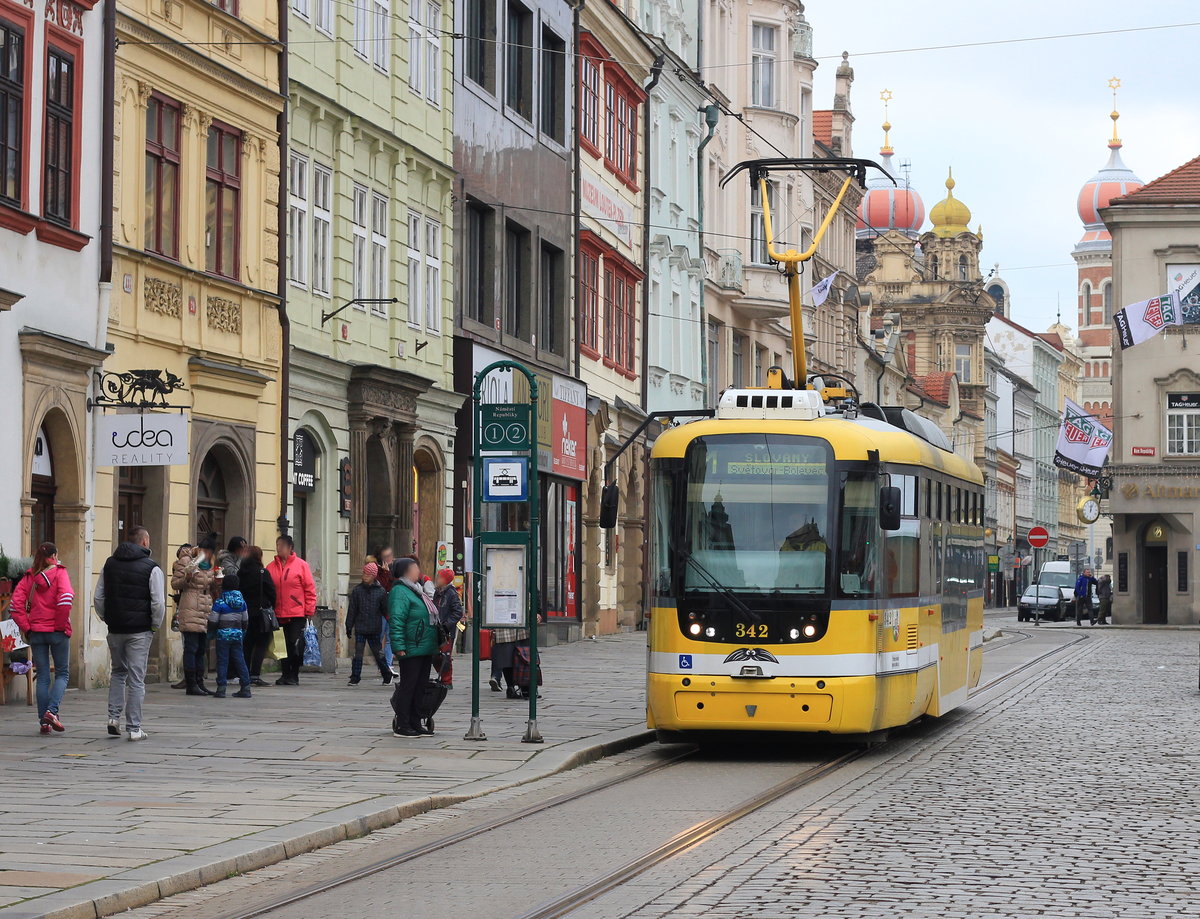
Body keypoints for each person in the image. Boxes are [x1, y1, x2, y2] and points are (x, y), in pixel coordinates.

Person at [93, 527, 165, 741]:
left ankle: (113, 718)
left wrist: (107, 617)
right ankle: (134, 728)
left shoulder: (109, 564)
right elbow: (158, 603)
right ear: (144, 542)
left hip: (115, 629)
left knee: (118, 672)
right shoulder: (152, 568)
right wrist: (154, 625)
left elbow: (98, 597)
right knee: (136, 678)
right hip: (139, 630)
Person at [9, 542, 74, 734]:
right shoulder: (60, 573)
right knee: (62, 673)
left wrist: (27, 628)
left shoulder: (29, 577)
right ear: (54, 556)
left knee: (43, 677)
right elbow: (66, 598)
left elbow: (15, 607)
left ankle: (43, 722)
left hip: (36, 632)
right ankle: (52, 712)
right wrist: (61, 626)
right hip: (57, 631)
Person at [388, 558, 438, 737]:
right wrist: (399, 646)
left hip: (424, 647)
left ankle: (416, 722)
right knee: (408, 686)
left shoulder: (417, 590)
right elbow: (397, 620)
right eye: (416, 569)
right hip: (411, 647)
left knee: (420, 686)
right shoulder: (400, 591)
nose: (419, 572)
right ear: (406, 571)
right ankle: (403, 724)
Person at [172, 536, 219, 696]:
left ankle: (200, 682)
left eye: (209, 552)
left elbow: (210, 584)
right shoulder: (186, 560)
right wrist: (187, 577)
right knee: (191, 647)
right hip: (190, 605)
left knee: (201, 648)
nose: (206, 554)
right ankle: (191, 684)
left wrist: (218, 581)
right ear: (198, 548)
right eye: (204, 551)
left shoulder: (210, 563)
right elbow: (175, 583)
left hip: (205, 607)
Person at [267, 535, 317, 685]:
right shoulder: (271, 567)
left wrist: (309, 610)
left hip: (297, 613)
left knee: (294, 644)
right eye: (277, 545)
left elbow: (310, 589)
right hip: (278, 612)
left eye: (282, 545)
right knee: (281, 646)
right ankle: (285, 674)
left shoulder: (301, 565)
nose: (279, 548)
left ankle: (294, 675)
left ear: (290, 548)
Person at [345, 562, 391, 685]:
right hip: (360, 627)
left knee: (378, 654)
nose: (364, 575)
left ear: (373, 576)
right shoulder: (357, 591)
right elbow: (352, 610)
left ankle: (387, 674)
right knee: (358, 654)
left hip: (374, 627)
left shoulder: (380, 591)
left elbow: (385, 610)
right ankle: (355, 677)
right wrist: (348, 626)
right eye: (364, 573)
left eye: (367, 574)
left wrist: (391, 621)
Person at [237, 546, 276, 686]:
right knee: (261, 644)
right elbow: (272, 592)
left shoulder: (240, 573)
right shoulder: (262, 572)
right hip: (261, 614)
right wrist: (271, 605)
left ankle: (245, 674)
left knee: (247, 644)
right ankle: (255, 675)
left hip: (244, 613)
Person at [209, 573, 252, 698]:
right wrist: (242, 631)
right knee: (240, 660)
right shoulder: (242, 602)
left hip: (223, 635)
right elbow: (245, 620)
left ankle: (221, 689)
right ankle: (246, 687)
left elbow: (213, 620)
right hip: (237, 635)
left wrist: (212, 630)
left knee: (222, 661)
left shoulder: (220, 602)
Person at [432, 569, 464, 688]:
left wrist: (446, 625)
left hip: (446, 631)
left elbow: (457, 612)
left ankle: (447, 680)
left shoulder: (451, 593)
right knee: (435, 655)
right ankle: (442, 676)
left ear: (445, 580)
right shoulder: (438, 592)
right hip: (437, 629)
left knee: (445, 656)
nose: (437, 579)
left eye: (439, 577)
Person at [374, 546, 396, 672]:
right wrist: (385, 573)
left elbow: (394, 585)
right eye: (386, 557)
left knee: (390, 637)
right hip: (381, 610)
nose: (389, 559)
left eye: (390, 555)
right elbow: (382, 588)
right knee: (379, 637)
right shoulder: (378, 571)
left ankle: (388, 664)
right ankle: (381, 664)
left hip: (391, 608)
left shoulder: (396, 568)